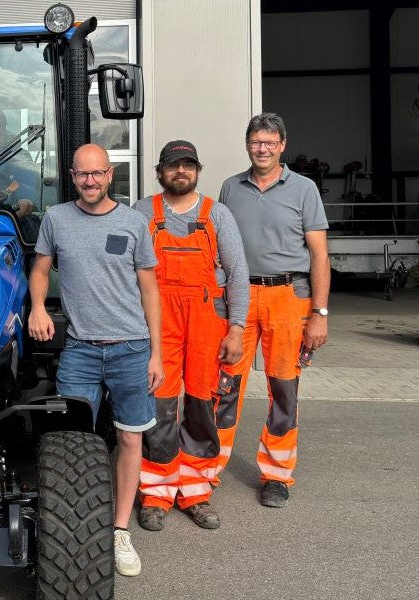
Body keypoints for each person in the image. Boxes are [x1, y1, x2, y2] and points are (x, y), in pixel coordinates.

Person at [28, 143, 162, 577]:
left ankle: (119, 529)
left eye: (98, 174)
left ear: (110, 175)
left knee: (129, 438)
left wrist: (157, 352)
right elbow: (40, 270)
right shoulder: (57, 219)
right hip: (81, 350)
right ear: (73, 176)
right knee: (73, 440)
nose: (90, 181)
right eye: (82, 174)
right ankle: (73, 523)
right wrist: (37, 308)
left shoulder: (135, 223)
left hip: (131, 348)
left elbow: (149, 290)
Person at [133, 140, 249, 531]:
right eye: (172, 166)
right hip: (158, 322)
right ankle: (157, 493)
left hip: (206, 321)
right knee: (159, 409)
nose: (180, 172)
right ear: (160, 171)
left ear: (197, 170)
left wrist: (236, 328)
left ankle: (196, 492)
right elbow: (123, 269)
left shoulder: (217, 214)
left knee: (202, 405)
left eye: (188, 165)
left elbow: (237, 276)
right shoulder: (141, 212)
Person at [218, 112, 330, 508]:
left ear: (282, 145)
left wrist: (319, 312)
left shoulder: (304, 189)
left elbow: (319, 254)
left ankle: (276, 474)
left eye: (269, 142)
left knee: (283, 388)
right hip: (240, 298)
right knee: (225, 384)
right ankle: (209, 466)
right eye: (255, 142)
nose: (261, 149)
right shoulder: (231, 188)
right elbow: (222, 252)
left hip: (289, 296)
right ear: (247, 144)